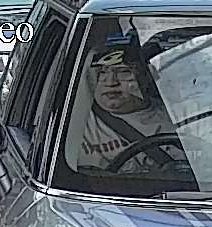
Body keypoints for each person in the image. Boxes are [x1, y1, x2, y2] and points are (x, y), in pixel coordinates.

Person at [66, 39, 182, 173]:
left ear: (145, 77)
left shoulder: (177, 115)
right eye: (102, 73)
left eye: (123, 72)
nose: (111, 82)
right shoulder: (74, 122)